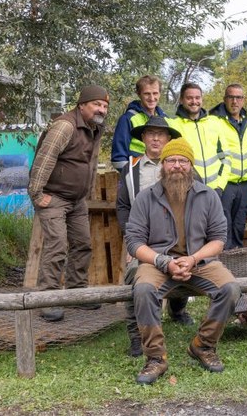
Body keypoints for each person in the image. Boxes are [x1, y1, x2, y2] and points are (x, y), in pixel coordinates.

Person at [124, 138, 241, 385]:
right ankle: (156, 357)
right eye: (171, 160)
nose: (177, 166)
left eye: (183, 161)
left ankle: (203, 345)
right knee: (143, 289)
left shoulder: (208, 196)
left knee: (230, 288)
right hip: (156, 263)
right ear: (162, 165)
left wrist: (194, 258)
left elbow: (219, 239)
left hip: (200, 262)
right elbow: (134, 242)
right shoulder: (146, 198)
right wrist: (162, 261)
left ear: (191, 165)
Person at [29, 85, 109, 322]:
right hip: (55, 198)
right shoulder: (65, 126)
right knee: (57, 245)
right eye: (97, 104)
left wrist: (86, 191)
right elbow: (45, 158)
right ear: (82, 105)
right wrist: (36, 193)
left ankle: (76, 293)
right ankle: (48, 299)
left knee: (83, 244)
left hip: (77, 200)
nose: (101, 109)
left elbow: (89, 162)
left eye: (105, 106)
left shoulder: (94, 128)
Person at [116, 116, 192, 357]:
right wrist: (132, 242)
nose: (156, 138)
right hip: (144, 243)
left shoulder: (184, 167)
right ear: (143, 138)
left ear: (169, 138)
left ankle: (178, 311)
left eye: (161, 134)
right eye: (151, 133)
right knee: (133, 278)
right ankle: (138, 337)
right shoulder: (130, 169)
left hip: (179, 242)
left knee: (186, 268)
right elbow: (122, 206)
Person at [210, 84, 247, 250]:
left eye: (239, 97)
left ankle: (237, 256)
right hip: (225, 182)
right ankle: (224, 258)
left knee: (239, 222)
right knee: (224, 223)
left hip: (245, 182)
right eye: (231, 97)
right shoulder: (214, 121)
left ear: (243, 100)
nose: (235, 101)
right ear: (225, 99)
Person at [170, 83, 229, 193]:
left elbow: (226, 157)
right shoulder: (173, 125)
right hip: (188, 190)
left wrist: (220, 185)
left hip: (216, 190)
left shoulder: (215, 122)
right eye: (189, 98)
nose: (194, 101)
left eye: (197, 98)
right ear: (182, 100)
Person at [111, 75, 169, 170]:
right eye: (147, 94)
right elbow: (118, 159)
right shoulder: (127, 119)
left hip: (161, 175)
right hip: (137, 176)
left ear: (160, 94)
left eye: (155, 93)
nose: (151, 98)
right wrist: (132, 176)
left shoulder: (166, 119)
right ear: (139, 94)